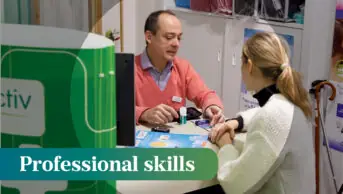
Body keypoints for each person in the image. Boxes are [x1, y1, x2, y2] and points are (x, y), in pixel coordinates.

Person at [209, 32, 315, 194]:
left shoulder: (272, 115)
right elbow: (262, 113)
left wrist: (226, 146)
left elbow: (234, 185)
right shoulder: (289, 102)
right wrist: (236, 122)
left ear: (249, 66)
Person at [135, 10, 225, 125]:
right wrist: (144, 113)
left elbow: (205, 94)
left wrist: (211, 106)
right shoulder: (129, 69)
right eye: (169, 37)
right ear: (149, 37)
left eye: (179, 38)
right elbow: (112, 109)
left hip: (176, 140)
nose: (176, 44)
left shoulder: (183, 68)